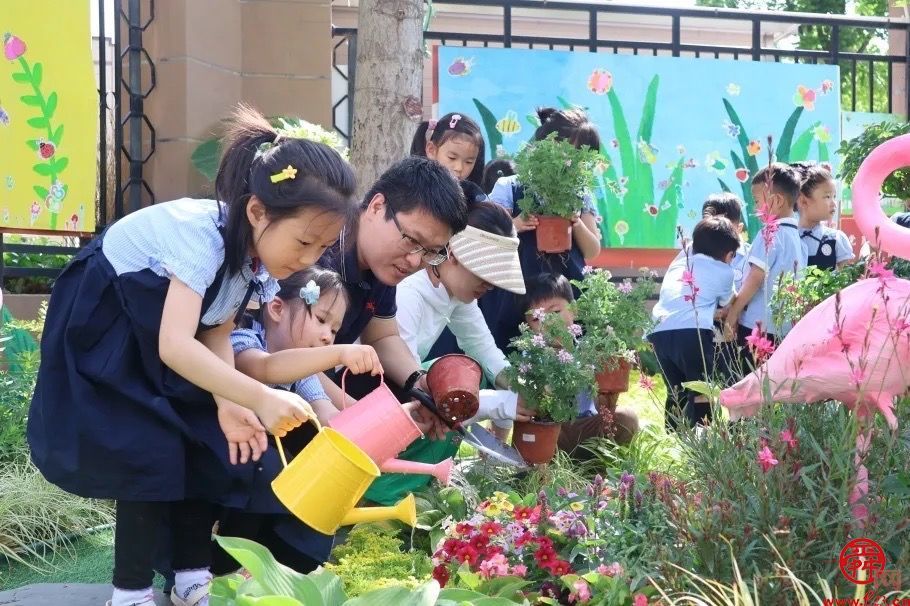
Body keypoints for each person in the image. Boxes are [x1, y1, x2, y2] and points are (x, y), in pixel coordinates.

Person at [27, 104, 358, 606]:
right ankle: (131, 592)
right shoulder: (202, 239)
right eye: (305, 242)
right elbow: (175, 344)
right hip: (110, 323)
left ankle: (191, 577)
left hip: (162, 330)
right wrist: (260, 397)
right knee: (149, 451)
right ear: (256, 213)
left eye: (323, 249)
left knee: (200, 442)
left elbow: (216, 332)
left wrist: (229, 403)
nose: (308, 260)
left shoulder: (253, 260)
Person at [211, 268, 384, 575]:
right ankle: (226, 566)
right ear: (276, 308)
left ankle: (285, 567)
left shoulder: (303, 373)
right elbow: (266, 369)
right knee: (268, 468)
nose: (326, 336)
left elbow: (328, 418)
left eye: (334, 330)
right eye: (320, 320)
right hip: (224, 469)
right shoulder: (244, 340)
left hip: (263, 480)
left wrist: (384, 425)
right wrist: (339, 352)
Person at [364, 188, 528, 505]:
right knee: (450, 375)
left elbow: (485, 350)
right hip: (375, 403)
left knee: (471, 372)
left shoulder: (455, 296)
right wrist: (500, 404)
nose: (489, 286)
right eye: (484, 273)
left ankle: (424, 476)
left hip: (406, 401)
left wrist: (520, 389)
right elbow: (399, 382)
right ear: (453, 253)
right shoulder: (410, 292)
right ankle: (385, 490)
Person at [482, 107, 603, 352]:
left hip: (565, 289)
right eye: (570, 151)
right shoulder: (509, 187)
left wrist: (575, 222)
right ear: (545, 146)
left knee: (567, 355)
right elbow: (486, 238)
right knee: (512, 351)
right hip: (515, 291)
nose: (574, 161)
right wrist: (515, 225)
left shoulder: (580, 193)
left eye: (582, 156)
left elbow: (592, 250)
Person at [519, 273, 640, 454]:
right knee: (537, 431)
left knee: (627, 419)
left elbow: (602, 398)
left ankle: (599, 467)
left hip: (587, 425)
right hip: (553, 429)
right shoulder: (532, 355)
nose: (548, 321)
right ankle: (546, 471)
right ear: (528, 326)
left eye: (555, 312)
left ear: (574, 310)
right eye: (537, 318)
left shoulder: (589, 350)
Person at [649, 217, 740, 430]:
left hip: (658, 331)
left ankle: (672, 435)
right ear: (728, 255)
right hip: (693, 332)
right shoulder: (725, 271)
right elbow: (728, 304)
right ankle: (703, 434)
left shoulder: (679, 263)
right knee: (701, 389)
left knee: (676, 389)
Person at [725, 163, 808, 354]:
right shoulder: (798, 240)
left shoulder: (770, 232)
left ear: (777, 201)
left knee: (752, 380)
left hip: (757, 326)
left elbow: (756, 277)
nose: (755, 208)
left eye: (756, 201)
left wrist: (733, 313)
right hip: (785, 328)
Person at [791, 161, 854, 270]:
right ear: (803, 201)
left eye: (834, 196)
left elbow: (847, 282)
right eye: (827, 197)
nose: (834, 203)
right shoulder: (788, 239)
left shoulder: (836, 239)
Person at [410, 112, 485, 185]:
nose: (459, 168)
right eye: (452, 158)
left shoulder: (472, 193)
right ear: (431, 150)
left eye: (469, 162)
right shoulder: (416, 187)